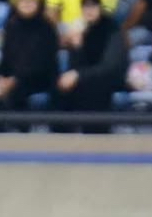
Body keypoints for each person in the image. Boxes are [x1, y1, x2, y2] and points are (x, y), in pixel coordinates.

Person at [53, 0, 129, 130]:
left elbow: (111, 67)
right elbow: (76, 66)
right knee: (59, 90)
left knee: (93, 91)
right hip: (85, 79)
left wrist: (79, 75)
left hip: (108, 80)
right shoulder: (80, 29)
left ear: (100, 8)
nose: (89, 10)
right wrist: (77, 47)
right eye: (86, 6)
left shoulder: (111, 28)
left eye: (93, 6)